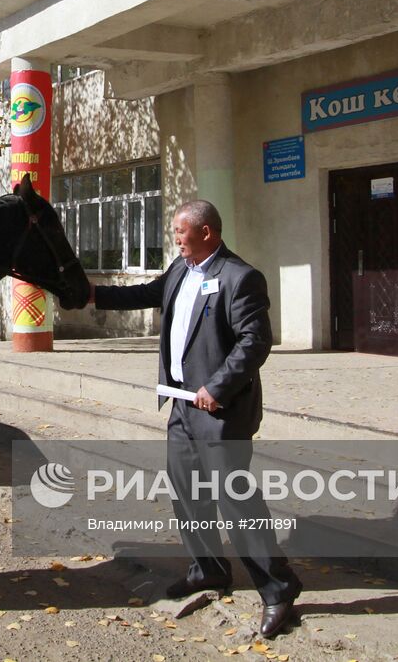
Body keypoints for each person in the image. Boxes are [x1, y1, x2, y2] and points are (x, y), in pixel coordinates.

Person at [90, 200, 302, 638]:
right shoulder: (180, 270)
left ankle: (279, 588)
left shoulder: (240, 277)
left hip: (220, 411)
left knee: (235, 500)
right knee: (187, 493)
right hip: (182, 407)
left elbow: (254, 342)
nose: (176, 239)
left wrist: (217, 387)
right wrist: (90, 293)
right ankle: (208, 568)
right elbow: (144, 293)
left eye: (180, 232)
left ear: (206, 232)